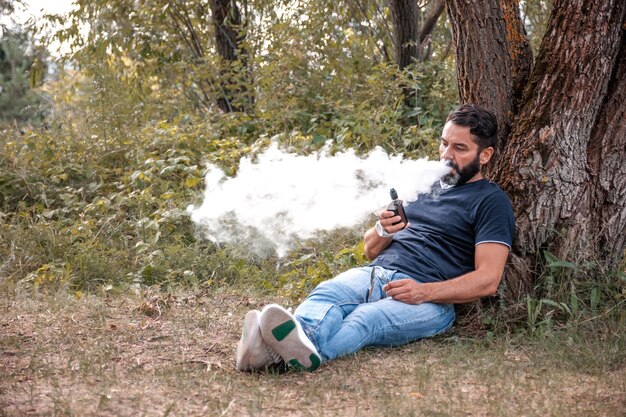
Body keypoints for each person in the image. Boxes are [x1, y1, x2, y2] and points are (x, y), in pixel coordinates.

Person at [235, 104, 515, 372]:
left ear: (485, 155)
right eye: (444, 143)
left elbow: (488, 280)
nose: (445, 155)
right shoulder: (422, 184)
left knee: (364, 320)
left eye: (459, 148)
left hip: (431, 300)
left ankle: (271, 353)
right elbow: (370, 250)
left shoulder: (491, 201)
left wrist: (423, 292)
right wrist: (383, 228)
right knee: (328, 293)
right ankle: (287, 347)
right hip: (378, 272)